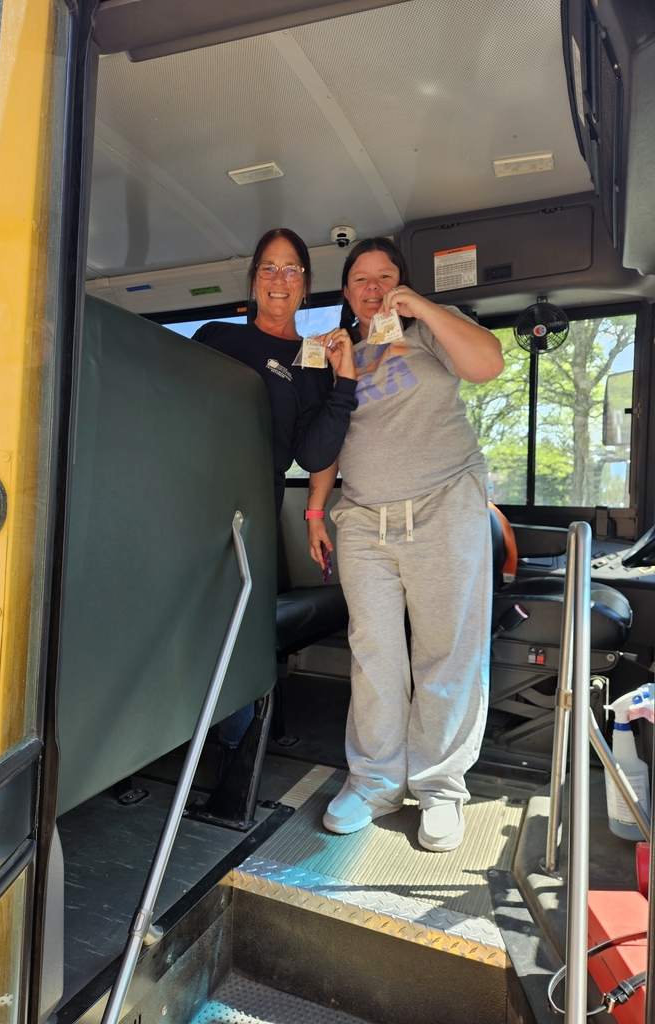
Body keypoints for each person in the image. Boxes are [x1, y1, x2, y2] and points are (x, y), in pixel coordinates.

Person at [305, 237, 504, 851]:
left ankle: (441, 787)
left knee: (448, 651)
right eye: (359, 279)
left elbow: (489, 364)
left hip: (445, 503)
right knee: (374, 654)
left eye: (384, 277)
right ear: (345, 292)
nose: (371, 287)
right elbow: (324, 443)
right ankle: (372, 781)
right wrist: (315, 511)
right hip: (364, 517)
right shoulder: (336, 352)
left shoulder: (426, 335)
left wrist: (422, 307)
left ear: (400, 283)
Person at [194, 227, 358, 752]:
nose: (279, 279)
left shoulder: (313, 360)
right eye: (268, 267)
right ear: (253, 281)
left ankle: (236, 754)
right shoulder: (217, 337)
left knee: (242, 629)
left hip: (253, 513)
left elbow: (313, 455)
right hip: (191, 498)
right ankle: (171, 736)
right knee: (188, 619)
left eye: (291, 269)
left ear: (306, 285)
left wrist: (344, 384)